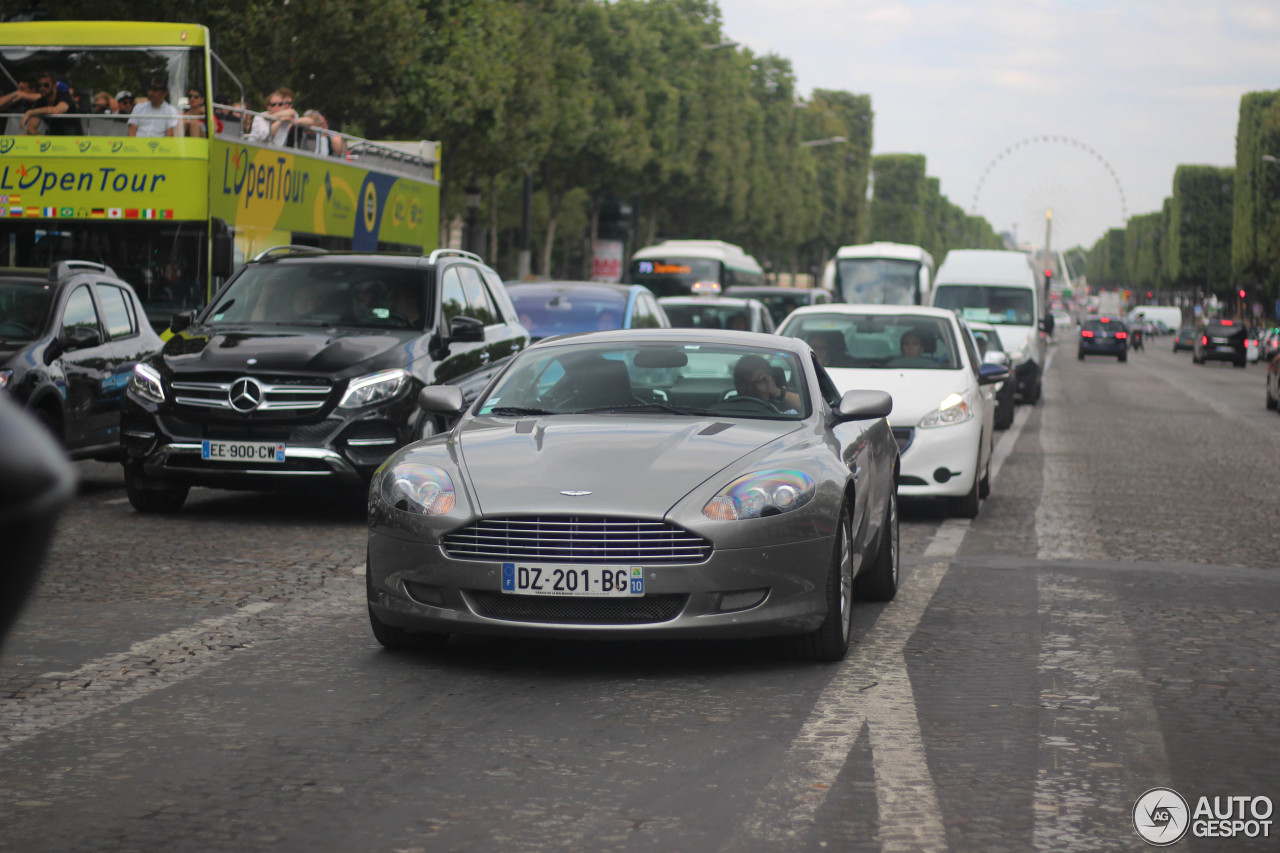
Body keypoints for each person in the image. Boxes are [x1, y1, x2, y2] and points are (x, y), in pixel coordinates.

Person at [733, 354, 801, 412]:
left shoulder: (784, 411)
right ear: (736, 384)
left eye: (758, 381)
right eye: (743, 382)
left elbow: (809, 409)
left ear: (770, 381)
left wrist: (777, 392)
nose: (750, 388)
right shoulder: (724, 409)